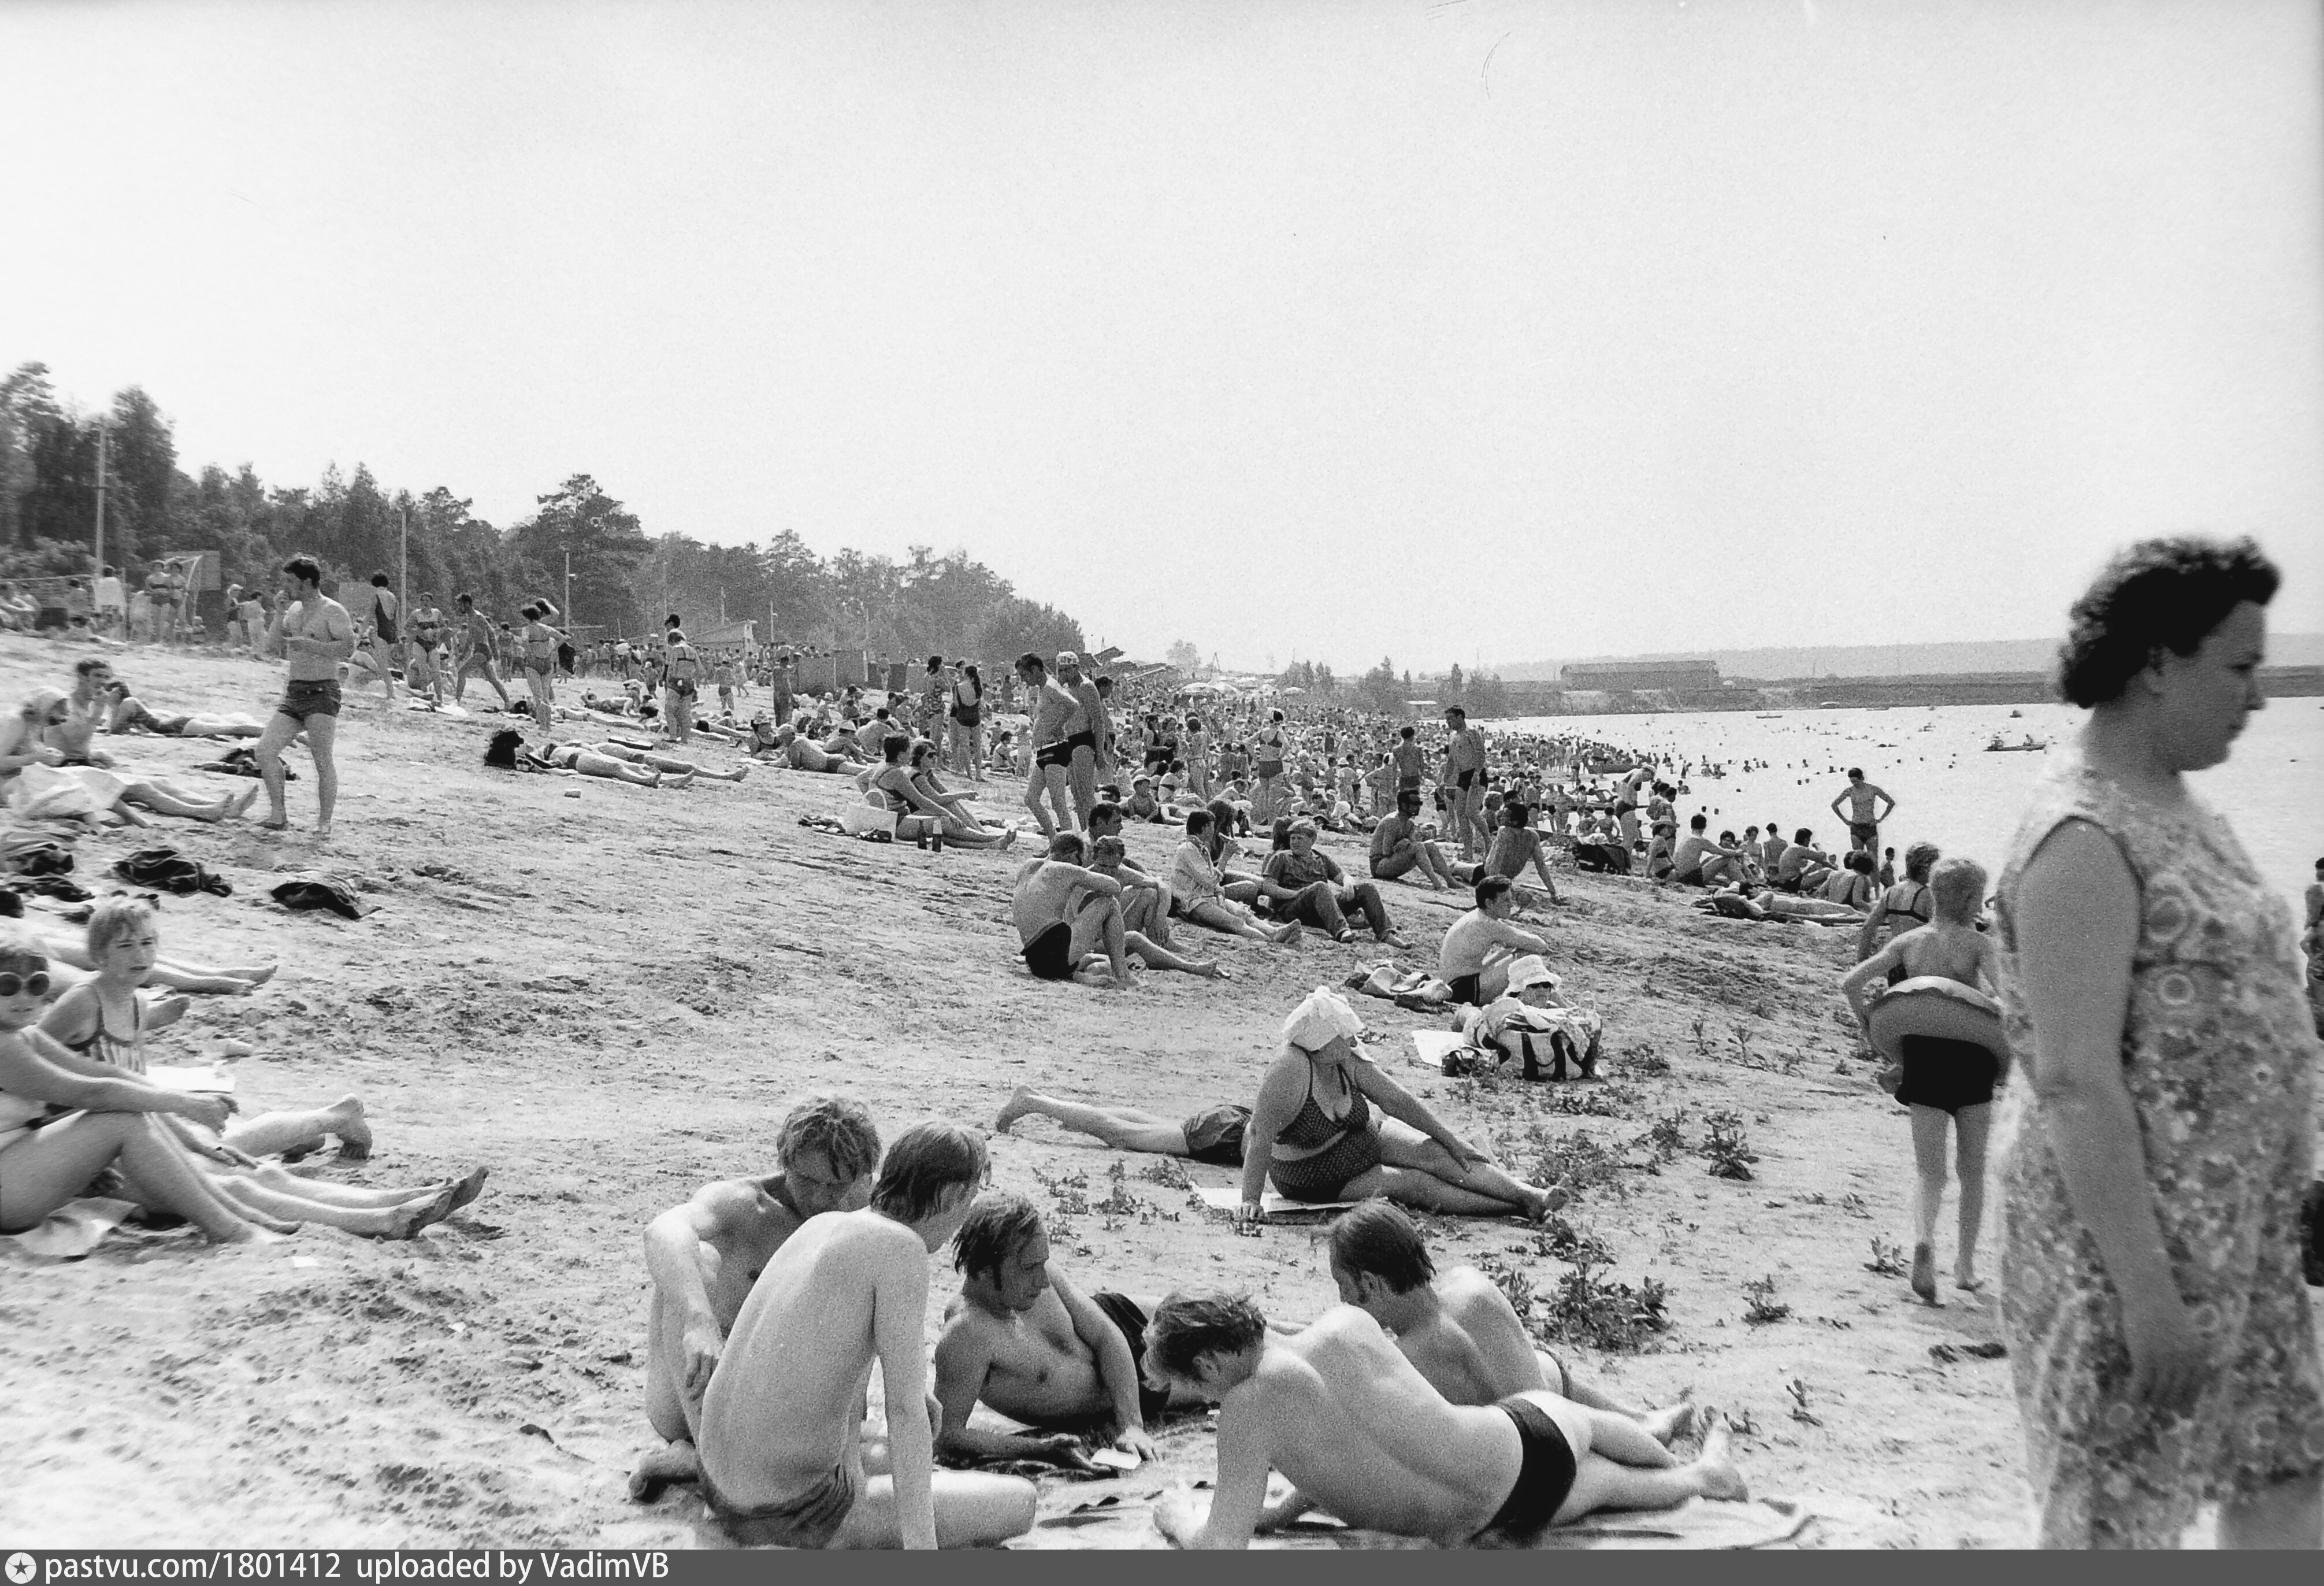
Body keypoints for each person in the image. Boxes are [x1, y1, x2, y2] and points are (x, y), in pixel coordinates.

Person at [1990, 536, 2323, 1549]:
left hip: (2242, 1236)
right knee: (2114, 1513)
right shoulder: (2082, 837)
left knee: (2286, 1477)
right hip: (2132, 1250)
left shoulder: (2178, 806)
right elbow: (2075, 1079)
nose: (2259, 695)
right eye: (2237, 666)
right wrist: (2145, 1291)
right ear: (2152, 663)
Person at [1148, 1292, 1744, 1548]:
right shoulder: (1342, 1327)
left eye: (1185, 1383)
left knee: (1606, 1483)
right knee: (1572, 1426)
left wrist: (1181, 1518)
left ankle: (1698, 1475)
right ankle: (1684, 1457)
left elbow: (1219, 1549)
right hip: (1526, 1439)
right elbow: (1381, 1439)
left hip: (1500, 1512)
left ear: (1207, 1360)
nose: (1193, 1397)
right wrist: (1285, 1508)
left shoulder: (1247, 1404)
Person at [36, 899, 482, 1239]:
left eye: (148, 944)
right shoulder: (80, 1003)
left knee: (256, 1170)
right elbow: (32, 1076)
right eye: (126, 946)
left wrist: (187, 1135)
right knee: (240, 1183)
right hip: (96, 1159)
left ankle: (397, 1201)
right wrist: (74, 1154)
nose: (141, 955)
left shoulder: (135, 1003)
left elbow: (135, 1091)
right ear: (98, 956)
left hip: (140, 1138)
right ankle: (381, 1219)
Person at [696, 1121, 1038, 1548]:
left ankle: (677, 1466)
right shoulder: (901, 1250)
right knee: (1020, 1502)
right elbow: (904, 1414)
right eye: (968, 1200)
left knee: (884, 1449)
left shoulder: (826, 1226)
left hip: (717, 1485)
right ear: (951, 1196)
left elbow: (832, 1356)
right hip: (789, 1515)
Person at [632, 1096, 883, 1501]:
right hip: (697, 1394)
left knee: (891, 1452)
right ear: (786, 1162)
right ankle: (711, 1463)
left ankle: (689, 1466)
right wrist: (699, 1321)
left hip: (778, 1406)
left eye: (836, 1185)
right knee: (697, 1262)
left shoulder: (862, 1209)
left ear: (860, 1176)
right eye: (806, 1180)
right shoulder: (745, 1206)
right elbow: (662, 1231)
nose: (820, 1198)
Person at [1327, 1200, 1690, 1435]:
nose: (1342, 1300)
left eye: (1343, 1286)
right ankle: (1640, 1419)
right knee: (1543, 1368)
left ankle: (1646, 1435)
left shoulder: (1414, 1353)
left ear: (1371, 1283)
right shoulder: (1467, 1286)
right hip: (1542, 1393)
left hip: (1545, 1441)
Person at [0, 931, 271, 1244]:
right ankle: (233, 1230)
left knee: (130, 1114)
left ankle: (236, 1213)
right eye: (7, 985)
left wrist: (189, 1131)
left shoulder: (24, 1035)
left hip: (14, 1166)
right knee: (122, 1118)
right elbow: (93, 1093)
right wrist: (185, 1105)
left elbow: (106, 1073)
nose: (24, 997)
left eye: (36, 985)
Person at [1239, 988, 1557, 1221]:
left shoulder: (1345, 1057)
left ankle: (1527, 1194)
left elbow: (1396, 1100)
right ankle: (1516, 1208)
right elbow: (1259, 1134)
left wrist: (1449, 1138)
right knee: (1412, 1184)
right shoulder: (1290, 1069)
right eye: (1344, 1035)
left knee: (1435, 1153)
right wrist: (1251, 1200)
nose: (1352, 1040)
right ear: (1321, 1041)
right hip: (1313, 1173)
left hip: (1361, 1139)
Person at [1839, 858, 2003, 1303]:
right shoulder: (1979, 944)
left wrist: (1880, 1040)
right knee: (1972, 1173)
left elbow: (1852, 983)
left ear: (1931, 895)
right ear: (1973, 900)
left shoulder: (1911, 942)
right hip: (1973, 1060)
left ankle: (1924, 1243)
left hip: (1923, 1060)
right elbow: (2010, 1001)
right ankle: (1965, 1269)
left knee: (1930, 1172)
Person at [934, 1194, 1198, 1469]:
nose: (1043, 1280)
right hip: (1136, 1384)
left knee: (1225, 1319)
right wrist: (1040, 1450)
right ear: (986, 1270)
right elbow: (948, 1434)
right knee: (1228, 1370)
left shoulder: (1040, 1277)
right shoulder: (966, 1335)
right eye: (1030, 1268)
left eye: (1042, 1263)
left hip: (1117, 1320)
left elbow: (1105, 1335)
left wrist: (1132, 1424)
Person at [1013, 832, 1224, 987]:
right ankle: (1123, 975)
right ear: (1072, 856)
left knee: (1105, 954)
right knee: (1109, 902)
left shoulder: (1029, 866)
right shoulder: (1067, 871)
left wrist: (1159, 914)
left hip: (1036, 959)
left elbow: (1159, 886)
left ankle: (1185, 964)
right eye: (1079, 861)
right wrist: (1116, 879)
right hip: (1056, 953)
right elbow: (1113, 887)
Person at [253, 555, 354, 839]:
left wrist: (312, 646)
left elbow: (347, 647)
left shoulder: (332, 610)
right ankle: (278, 815)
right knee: (265, 751)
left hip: (323, 691)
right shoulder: (293, 610)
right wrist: (277, 613)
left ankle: (324, 823)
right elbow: (271, 648)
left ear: (307, 581)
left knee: (321, 759)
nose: (285, 586)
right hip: (295, 691)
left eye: (290, 580)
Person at [994, 1086, 1249, 1166]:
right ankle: (1033, 1103)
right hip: (1227, 1136)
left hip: (1232, 1124)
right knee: (1122, 1135)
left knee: (1139, 1127)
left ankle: (1051, 1104)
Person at [1260, 819, 1408, 948]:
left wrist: (1348, 885)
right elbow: (1268, 887)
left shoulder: (1321, 859)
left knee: (1366, 889)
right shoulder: (1281, 858)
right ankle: (1342, 931)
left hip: (1321, 908)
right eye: (1293, 838)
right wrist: (1295, 894)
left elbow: (1343, 876)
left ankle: (1386, 933)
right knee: (1320, 887)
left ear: (1312, 841)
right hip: (1292, 907)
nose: (1295, 842)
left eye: (1300, 838)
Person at [1167, 809, 1298, 947]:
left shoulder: (1200, 849)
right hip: (1192, 902)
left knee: (1243, 913)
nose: (1213, 830)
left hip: (1206, 897)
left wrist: (1218, 891)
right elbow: (1208, 880)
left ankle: (1274, 932)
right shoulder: (1188, 849)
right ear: (1205, 828)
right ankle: (1269, 940)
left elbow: (1211, 879)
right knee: (1234, 922)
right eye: (1212, 826)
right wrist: (1225, 857)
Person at [1438, 877, 1555, 1006]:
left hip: (1455, 985)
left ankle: (1544, 999)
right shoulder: (1487, 924)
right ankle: (1550, 1001)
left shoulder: (1477, 917)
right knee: (1528, 957)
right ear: (1489, 903)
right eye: (1505, 900)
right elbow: (1538, 944)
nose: (1511, 904)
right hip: (1463, 989)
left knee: (1510, 952)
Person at [1016, 653, 1082, 839]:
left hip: (1055, 748)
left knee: (1058, 803)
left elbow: (1073, 705)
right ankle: (1055, 841)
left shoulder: (1051, 687)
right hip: (1045, 750)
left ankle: (1068, 845)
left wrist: (1057, 726)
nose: (1024, 680)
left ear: (1035, 670)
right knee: (1031, 799)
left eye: (1025, 675)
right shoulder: (1045, 688)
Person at [1857, 841, 1940, 961]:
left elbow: (1868, 928)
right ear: (1926, 867)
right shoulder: (1928, 896)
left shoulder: (1891, 892)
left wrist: (1862, 960)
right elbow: (1941, 936)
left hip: (1896, 963)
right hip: (1918, 965)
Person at [1369, 789, 1458, 889]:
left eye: (1420, 804)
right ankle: (1436, 884)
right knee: (1418, 847)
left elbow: (1416, 847)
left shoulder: (1409, 824)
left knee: (1430, 846)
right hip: (1379, 866)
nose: (1418, 807)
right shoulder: (1392, 821)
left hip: (1392, 863)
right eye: (1415, 804)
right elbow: (1386, 852)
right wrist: (1399, 846)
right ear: (1404, 805)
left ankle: (1450, 880)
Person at [1480, 802, 1564, 903]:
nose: (1501, 817)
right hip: (1502, 880)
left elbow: (1496, 862)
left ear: (1514, 822)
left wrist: (1492, 887)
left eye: (1505, 815)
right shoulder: (1533, 835)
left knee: (1459, 868)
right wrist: (1553, 892)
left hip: (1487, 877)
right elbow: (1541, 866)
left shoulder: (1504, 831)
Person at [1441, 707, 1490, 861]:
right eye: (1447, 719)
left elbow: (1481, 755)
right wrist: (1445, 779)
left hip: (1476, 774)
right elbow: (1451, 759)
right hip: (1462, 776)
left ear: (1460, 717)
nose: (1448, 722)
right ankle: (1468, 851)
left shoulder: (1472, 733)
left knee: (1472, 812)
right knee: (1461, 814)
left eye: (1451, 719)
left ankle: (1489, 843)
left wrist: (1476, 774)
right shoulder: (1453, 736)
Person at [450, 593, 514, 710]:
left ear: (467, 604)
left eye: (461, 605)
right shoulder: (471, 618)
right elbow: (471, 638)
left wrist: (495, 654)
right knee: (493, 680)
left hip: (482, 650)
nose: (459, 608)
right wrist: (465, 654)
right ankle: (507, 703)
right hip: (479, 650)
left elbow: (490, 633)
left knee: (462, 672)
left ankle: (457, 701)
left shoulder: (478, 617)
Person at [517, 600, 566, 731]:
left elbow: (525, 642)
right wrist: (553, 649)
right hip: (546, 662)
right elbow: (563, 638)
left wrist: (529, 653)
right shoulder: (546, 628)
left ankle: (542, 722)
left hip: (533, 663)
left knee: (537, 695)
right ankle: (547, 724)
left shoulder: (527, 629)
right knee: (545, 695)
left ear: (527, 618)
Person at [1830, 768, 1896, 858]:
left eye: (1856, 781)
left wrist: (1881, 818)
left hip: (1870, 827)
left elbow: (1891, 802)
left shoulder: (1873, 789)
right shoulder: (1850, 791)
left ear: (1862, 778)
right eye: (1852, 782)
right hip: (1856, 827)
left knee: (1873, 859)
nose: (1855, 784)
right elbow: (1834, 805)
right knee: (1857, 860)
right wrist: (1844, 820)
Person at [1669, 815, 1744, 888]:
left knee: (1716, 860)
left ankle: (1740, 883)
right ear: (1705, 827)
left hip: (1681, 876)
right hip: (1692, 878)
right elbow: (1723, 852)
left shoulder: (1687, 838)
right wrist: (1739, 852)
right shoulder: (1700, 840)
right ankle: (1744, 884)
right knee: (1727, 859)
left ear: (1691, 826)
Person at [358, 573, 401, 703]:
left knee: (382, 664)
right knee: (384, 663)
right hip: (392, 633)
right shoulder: (393, 597)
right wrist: (398, 635)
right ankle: (390, 691)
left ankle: (391, 693)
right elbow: (396, 619)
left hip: (380, 632)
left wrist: (361, 631)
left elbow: (370, 615)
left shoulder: (376, 596)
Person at [661, 627, 702, 746]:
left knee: (669, 711)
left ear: (672, 640)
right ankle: (685, 738)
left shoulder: (675, 650)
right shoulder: (693, 651)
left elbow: (672, 667)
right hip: (689, 683)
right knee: (685, 713)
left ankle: (673, 736)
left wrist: (669, 682)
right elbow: (700, 669)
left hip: (676, 682)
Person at [948, 662, 985, 781]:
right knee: (978, 746)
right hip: (975, 717)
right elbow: (981, 705)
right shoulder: (978, 687)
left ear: (966, 674)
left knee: (964, 747)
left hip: (962, 717)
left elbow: (957, 704)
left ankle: (969, 773)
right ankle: (979, 774)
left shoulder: (959, 687)